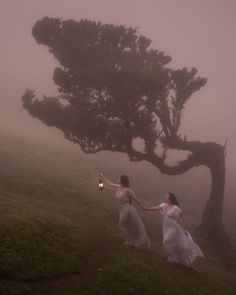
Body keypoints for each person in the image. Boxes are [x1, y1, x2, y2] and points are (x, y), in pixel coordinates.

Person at [143, 192, 204, 269]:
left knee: (165, 241)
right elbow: (156, 208)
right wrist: (147, 208)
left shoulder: (175, 208)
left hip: (174, 228)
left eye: (166, 196)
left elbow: (180, 219)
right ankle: (175, 258)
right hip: (166, 227)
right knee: (173, 243)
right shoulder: (163, 205)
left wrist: (183, 230)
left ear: (170, 198)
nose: (165, 197)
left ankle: (173, 258)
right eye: (165, 196)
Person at [99, 173, 151, 251]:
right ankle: (130, 240)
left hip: (127, 209)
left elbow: (136, 199)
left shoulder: (128, 190)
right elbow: (110, 184)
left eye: (119, 178)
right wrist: (102, 176)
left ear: (122, 180)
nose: (118, 179)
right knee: (127, 225)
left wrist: (143, 207)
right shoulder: (119, 187)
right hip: (121, 208)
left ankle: (130, 241)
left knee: (121, 224)